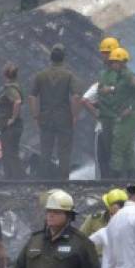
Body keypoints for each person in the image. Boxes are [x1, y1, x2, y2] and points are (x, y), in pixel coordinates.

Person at [29, 44, 83, 179]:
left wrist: (35, 116)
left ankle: (44, 180)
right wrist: (75, 115)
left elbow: (32, 96)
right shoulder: (69, 76)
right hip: (64, 118)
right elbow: (76, 96)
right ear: (63, 58)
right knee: (64, 151)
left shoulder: (40, 75)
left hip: (45, 118)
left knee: (45, 150)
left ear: (51, 58)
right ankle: (63, 181)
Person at [100, 47, 135, 179]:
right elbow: (123, 90)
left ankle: (114, 179)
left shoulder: (128, 75)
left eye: (114, 61)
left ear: (121, 62)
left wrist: (131, 107)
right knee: (128, 149)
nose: (111, 63)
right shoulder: (121, 77)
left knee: (117, 147)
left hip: (127, 118)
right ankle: (131, 177)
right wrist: (111, 89)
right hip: (124, 116)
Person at [82, 37, 121, 178]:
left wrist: (98, 114)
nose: (103, 56)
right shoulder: (125, 77)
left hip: (104, 128)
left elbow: (85, 100)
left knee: (104, 164)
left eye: (105, 53)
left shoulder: (105, 78)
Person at [0, 62, 25, 179]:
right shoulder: (14, 86)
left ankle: (19, 178)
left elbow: (17, 101)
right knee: (7, 153)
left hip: (11, 127)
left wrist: (12, 118)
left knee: (11, 153)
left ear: (5, 75)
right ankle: (10, 178)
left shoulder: (10, 89)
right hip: (9, 127)